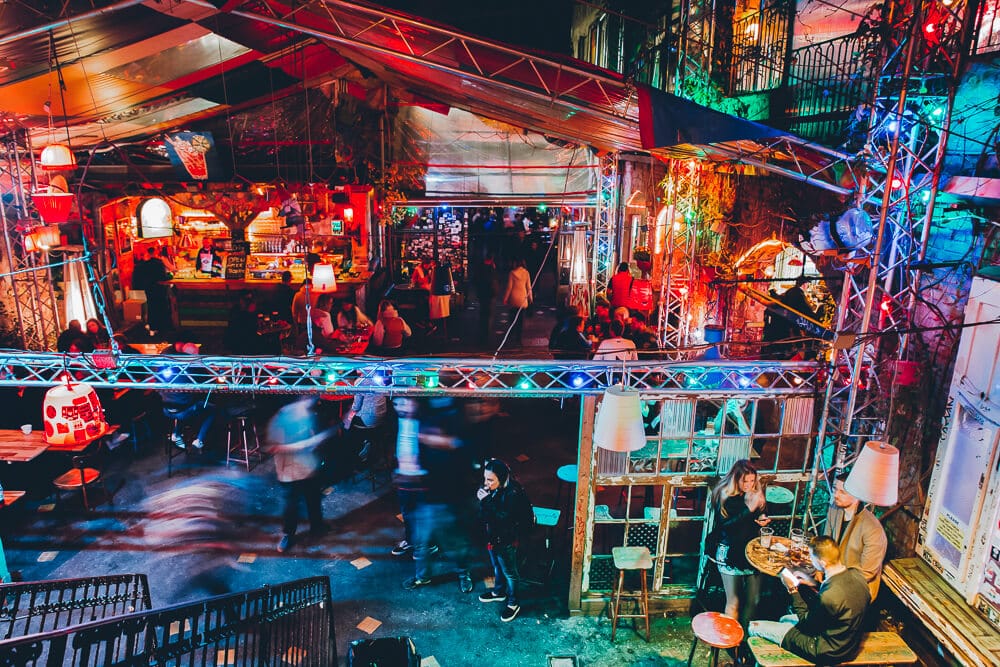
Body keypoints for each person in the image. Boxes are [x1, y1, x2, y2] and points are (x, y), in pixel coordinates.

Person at [749, 536, 871, 664]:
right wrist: (812, 583)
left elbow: (806, 624)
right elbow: (840, 592)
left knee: (754, 627)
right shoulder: (857, 575)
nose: (810, 560)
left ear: (822, 563)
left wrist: (792, 590)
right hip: (847, 642)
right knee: (784, 619)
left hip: (825, 649)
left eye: (812, 557)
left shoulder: (828, 597)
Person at [266, 398, 333, 552]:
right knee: (291, 504)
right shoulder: (282, 417)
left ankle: (317, 527)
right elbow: (275, 446)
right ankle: (288, 534)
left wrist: (314, 442)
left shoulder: (308, 413)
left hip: (308, 466)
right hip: (289, 470)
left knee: (313, 498)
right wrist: (304, 445)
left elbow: (311, 433)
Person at [709, 459, 770, 627]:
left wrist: (762, 517)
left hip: (751, 549)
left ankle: (744, 643)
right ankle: (729, 642)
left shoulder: (755, 492)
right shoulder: (723, 494)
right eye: (745, 481)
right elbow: (725, 526)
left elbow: (761, 511)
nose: (749, 485)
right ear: (736, 479)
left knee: (754, 599)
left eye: (752, 480)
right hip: (730, 550)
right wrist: (749, 509)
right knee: (733, 602)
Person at [476, 458, 534, 622]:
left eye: (490, 480)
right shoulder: (494, 490)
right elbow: (486, 516)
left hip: (507, 539)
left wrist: (486, 501)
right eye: (485, 478)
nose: (486, 483)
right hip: (494, 538)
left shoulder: (512, 493)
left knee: (510, 572)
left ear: (501, 479)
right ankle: (498, 592)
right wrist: (485, 502)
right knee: (497, 566)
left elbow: (504, 520)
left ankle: (513, 603)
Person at [825, 473, 888, 601]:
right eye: (834, 489)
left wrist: (833, 585)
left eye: (842, 492)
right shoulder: (834, 509)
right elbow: (825, 543)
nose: (836, 495)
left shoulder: (873, 529)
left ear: (857, 495)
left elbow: (866, 573)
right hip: (832, 578)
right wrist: (821, 570)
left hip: (856, 591)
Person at [159, 335, 214, 451]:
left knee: (182, 404)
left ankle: (176, 433)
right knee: (212, 409)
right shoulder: (193, 368)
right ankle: (199, 440)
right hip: (184, 411)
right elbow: (208, 381)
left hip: (167, 410)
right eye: (197, 354)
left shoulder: (171, 365)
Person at [762, 277, 817, 360]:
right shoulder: (797, 293)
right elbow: (805, 309)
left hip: (783, 322)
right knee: (792, 342)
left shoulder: (792, 291)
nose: (808, 286)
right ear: (804, 284)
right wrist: (814, 317)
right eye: (808, 284)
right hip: (789, 323)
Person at [503, 257, 532, 345]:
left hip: (513, 298)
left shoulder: (512, 273)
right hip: (522, 299)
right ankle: (518, 338)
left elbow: (509, 288)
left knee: (512, 318)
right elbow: (529, 287)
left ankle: (511, 335)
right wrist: (530, 298)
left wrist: (505, 298)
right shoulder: (526, 273)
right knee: (520, 320)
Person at [143, 247, 172, 332]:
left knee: (152, 307)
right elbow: (163, 277)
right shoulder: (159, 263)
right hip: (159, 289)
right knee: (161, 306)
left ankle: (153, 326)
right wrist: (170, 276)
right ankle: (163, 326)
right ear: (155, 253)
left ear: (148, 253)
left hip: (149, 289)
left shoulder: (145, 264)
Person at [474, 254, 498, 344]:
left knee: (482, 314)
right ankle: (486, 335)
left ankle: (482, 335)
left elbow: (475, 280)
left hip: (482, 294)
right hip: (489, 295)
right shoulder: (491, 269)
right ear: (491, 259)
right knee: (488, 315)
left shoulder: (479, 268)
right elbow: (495, 281)